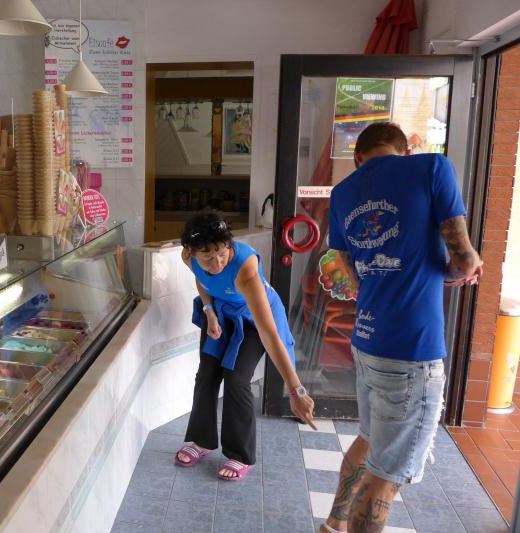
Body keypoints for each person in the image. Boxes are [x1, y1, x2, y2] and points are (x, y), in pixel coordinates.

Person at [319, 122, 482, 533]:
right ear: (404, 151)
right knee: (385, 475)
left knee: (369, 440)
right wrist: (460, 271)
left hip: (367, 339)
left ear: (358, 157)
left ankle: (334, 525)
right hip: (412, 348)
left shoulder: (342, 193)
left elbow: (350, 271)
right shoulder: (431, 168)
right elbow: (464, 258)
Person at [175, 209, 317, 481]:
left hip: (255, 319)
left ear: (229, 245)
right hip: (220, 311)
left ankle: (240, 455)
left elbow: (269, 333)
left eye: (222, 253)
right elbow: (202, 280)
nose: (217, 262)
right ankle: (202, 441)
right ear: (191, 251)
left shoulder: (245, 268)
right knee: (207, 373)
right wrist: (208, 311)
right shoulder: (188, 257)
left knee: (237, 378)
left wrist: (296, 389)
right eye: (208, 258)